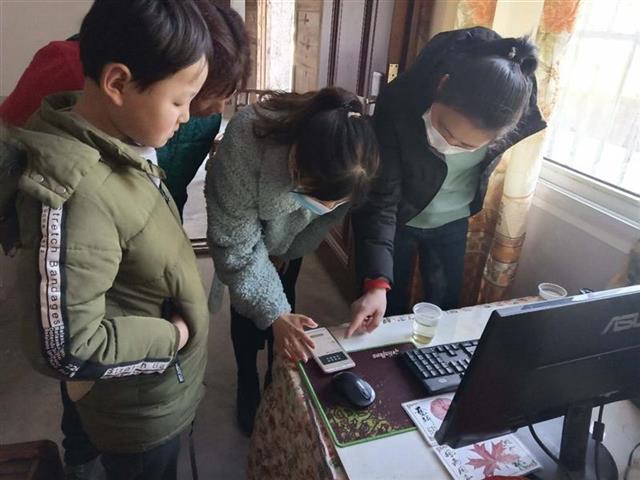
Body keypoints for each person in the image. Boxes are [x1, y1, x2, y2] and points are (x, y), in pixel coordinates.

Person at [0, 3, 250, 478]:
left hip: (155, 386)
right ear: (117, 83)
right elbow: (65, 347)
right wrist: (174, 337)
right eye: (179, 102)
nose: (187, 118)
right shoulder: (74, 191)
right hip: (137, 413)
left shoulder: (125, 147)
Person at [348, 27, 547, 335]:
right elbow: (381, 199)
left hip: (453, 221)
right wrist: (376, 284)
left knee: (445, 309)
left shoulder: (511, 110)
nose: (449, 144)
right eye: (444, 128)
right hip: (396, 218)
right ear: (441, 86)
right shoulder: (400, 103)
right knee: (386, 310)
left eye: (467, 146)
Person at [205, 87, 379, 435]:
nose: (327, 208)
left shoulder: (356, 163)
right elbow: (234, 244)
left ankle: (278, 378)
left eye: (334, 203)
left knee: (287, 304)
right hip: (244, 231)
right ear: (295, 161)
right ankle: (247, 380)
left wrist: (287, 251)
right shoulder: (247, 138)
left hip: (291, 239)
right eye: (316, 196)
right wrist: (274, 313)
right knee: (249, 310)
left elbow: (323, 221)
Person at [0, 0, 250, 217]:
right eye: (183, 100)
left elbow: (168, 196)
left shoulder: (198, 118)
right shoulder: (68, 71)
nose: (218, 109)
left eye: (228, 97)